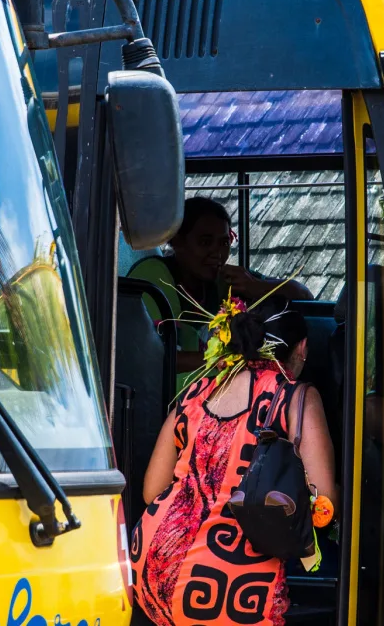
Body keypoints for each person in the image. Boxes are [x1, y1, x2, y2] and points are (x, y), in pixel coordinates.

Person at [131, 298, 337, 626]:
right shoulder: (294, 397)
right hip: (228, 583)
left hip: (151, 569)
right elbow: (323, 504)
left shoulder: (196, 391)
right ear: (303, 349)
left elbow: (151, 490)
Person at [128, 197, 313, 388]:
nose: (217, 253)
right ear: (177, 241)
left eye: (224, 243)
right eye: (205, 242)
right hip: (163, 392)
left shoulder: (223, 280)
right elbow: (157, 358)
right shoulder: (155, 275)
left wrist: (256, 286)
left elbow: (303, 295)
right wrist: (231, 358)